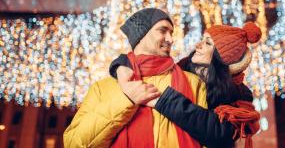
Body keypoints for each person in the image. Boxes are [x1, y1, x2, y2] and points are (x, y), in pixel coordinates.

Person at [63, 8, 209, 148]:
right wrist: (126, 100)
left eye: (171, 33)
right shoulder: (102, 88)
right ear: (142, 35)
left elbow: (208, 138)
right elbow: (74, 144)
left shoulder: (193, 82)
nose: (170, 39)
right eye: (163, 30)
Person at [112, 22, 262, 148]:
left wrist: (163, 101)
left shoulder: (239, 94)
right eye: (202, 39)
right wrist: (121, 66)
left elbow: (220, 133)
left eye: (208, 43)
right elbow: (145, 63)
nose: (198, 45)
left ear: (221, 58)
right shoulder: (181, 69)